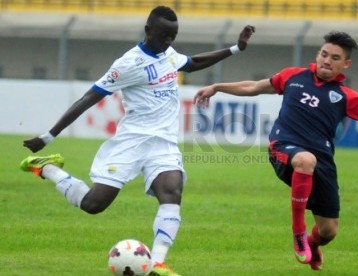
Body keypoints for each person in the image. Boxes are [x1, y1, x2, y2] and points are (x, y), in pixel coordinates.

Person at [193, 31, 358, 270]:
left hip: (322, 160)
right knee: (305, 160)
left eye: (334, 57)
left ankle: (312, 243)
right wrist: (217, 87)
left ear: (346, 64)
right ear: (317, 55)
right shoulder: (293, 76)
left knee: (329, 230)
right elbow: (253, 87)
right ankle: (298, 233)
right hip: (283, 149)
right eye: (323, 54)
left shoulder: (346, 96)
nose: (326, 60)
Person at [20, 6, 255, 276]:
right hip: (131, 142)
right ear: (148, 31)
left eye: (174, 36)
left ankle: (157, 263)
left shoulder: (168, 54)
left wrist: (235, 48)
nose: (169, 41)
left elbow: (192, 63)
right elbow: (88, 98)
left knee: (172, 192)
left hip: (163, 144)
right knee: (93, 204)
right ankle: (47, 167)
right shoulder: (128, 64)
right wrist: (48, 136)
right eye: (165, 35)